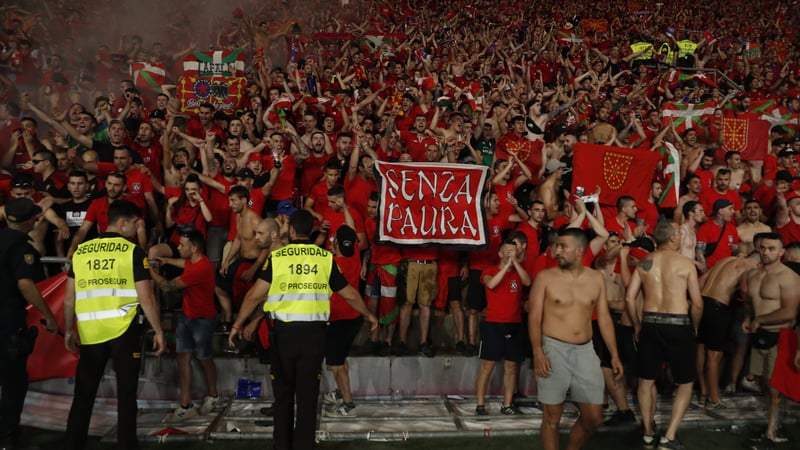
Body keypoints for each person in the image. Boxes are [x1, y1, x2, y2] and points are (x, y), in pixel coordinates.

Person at [227, 210, 377, 450]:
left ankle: (282, 446)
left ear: (292, 230)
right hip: (313, 336)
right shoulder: (325, 258)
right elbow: (349, 294)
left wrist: (237, 324)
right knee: (308, 399)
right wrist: (369, 315)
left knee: (283, 396)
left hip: (283, 336)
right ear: (310, 230)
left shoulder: (278, 257)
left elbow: (254, 295)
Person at [63, 200, 166, 450]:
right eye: (134, 223)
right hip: (124, 331)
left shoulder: (82, 252)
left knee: (83, 396)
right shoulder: (132, 252)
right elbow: (147, 298)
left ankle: (72, 445)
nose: (136, 227)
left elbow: (68, 298)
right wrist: (159, 331)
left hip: (90, 332)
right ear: (122, 222)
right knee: (126, 396)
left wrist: (68, 330)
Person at [529, 228, 623, 450]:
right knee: (552, 415)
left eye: (563, 247)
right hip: (553, 348)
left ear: (579, 251)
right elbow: (533, 317)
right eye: (557, 246)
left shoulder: (596, 278)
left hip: (585, 351)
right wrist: (538, 352)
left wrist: (614, 354)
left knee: (594, 417)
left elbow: (604, 317)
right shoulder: (545, 278)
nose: (557, 251)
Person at [625, 220, 703, 449]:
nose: (681, 236)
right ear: (672, 238)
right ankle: (669, 437)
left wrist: (637, 325)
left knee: (646, 380)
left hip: (650, 323)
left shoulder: (645, 262)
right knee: (685, 382)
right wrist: (694, 327)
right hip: (678, 324)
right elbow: (697, 303)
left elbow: (629, 298)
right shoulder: (685, 263)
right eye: (678, 233)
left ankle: (648, 434)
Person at [0, 198, 58, 449]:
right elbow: (25, 284)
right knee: (13, 382)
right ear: (28, 221)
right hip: (7, 324)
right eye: (35, 216)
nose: (37, 219)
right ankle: (7, 437)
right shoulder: (20, 248)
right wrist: (49, 315)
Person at [150, 229, 220, 421]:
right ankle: (186, 405)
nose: (178, 248)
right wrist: (167, 260)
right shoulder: (194, 261)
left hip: (202, 320)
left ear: (194, 248)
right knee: (182, 359)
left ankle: (214, 396)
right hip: (187, 317)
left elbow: (167, 286)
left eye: (182, 245)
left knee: (204, 359)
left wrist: (150, 270)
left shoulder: (201, 268)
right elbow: (184, 263)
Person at [741, 233, 800, 444]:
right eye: (763, 248)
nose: (766, 252)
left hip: (779, 335)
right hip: (758, 335)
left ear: (781, 252)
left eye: (772, 248)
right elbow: (750, 301)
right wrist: (748, 318)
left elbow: (790, 312)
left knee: (776, 386)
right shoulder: (753, 274)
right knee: (765, 383)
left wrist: (760, 319)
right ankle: (772, 426)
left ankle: (771, 432)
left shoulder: (789, 277)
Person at [475, 239, 531, 416]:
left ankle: (507, 404)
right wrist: (506, 266)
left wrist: (515, 263)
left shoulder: (519, 271)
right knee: (487, 366)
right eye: (507, 251)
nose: (511, 253)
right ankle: (480, 404)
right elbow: (491, 284)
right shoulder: (489, 270)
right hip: (494, 323)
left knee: (511, 366)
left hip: (515, 324)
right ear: (500, 254)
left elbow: (527, 282)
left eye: (513, 251)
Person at [695, 255, 757, 409]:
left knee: (701, 348)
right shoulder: (751, 266)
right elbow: (745, 291)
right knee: (714, 355)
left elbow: (700, 282)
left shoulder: (724, 260)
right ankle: (714, 399)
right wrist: (749, 313)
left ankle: (704, 392)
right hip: (718, 307)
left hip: (702, 302)